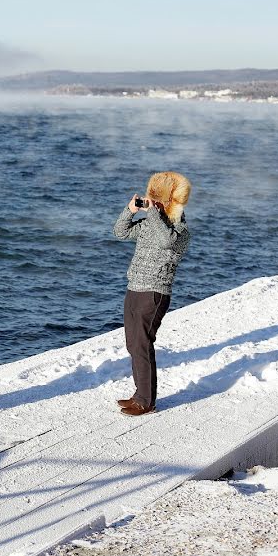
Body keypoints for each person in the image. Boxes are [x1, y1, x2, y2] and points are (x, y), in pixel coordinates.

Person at [113, 171, 191, 416]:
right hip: (134, 288)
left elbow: (165, 241)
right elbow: (121, 232)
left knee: (143, 344)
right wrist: (130, 210)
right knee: (133, 344)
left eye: (157, 202)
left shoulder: (180, 232)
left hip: (154, 293)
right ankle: (139, 395)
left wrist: (154, 212)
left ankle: (146, 401)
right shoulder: (149, 224)